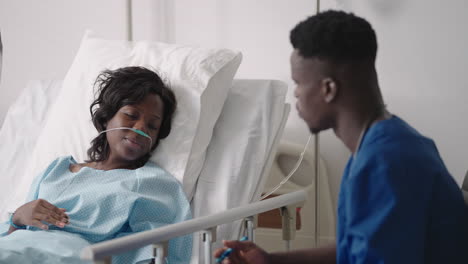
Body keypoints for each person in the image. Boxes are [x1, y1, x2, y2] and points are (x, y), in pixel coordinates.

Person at [214, 10, 468, 264]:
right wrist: (273, 260)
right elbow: (355, 248)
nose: (297, 95)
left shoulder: (385, 165)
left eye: (298, 83)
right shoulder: (386, 142)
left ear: (328, 89)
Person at [0, 66, 192, 264]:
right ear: (107, 116)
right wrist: (18, 218)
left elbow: (164, 253)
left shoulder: (152, 183)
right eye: (131, 115)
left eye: (152, 126)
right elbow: (13, 233)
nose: (141, 127)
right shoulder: (56, 169)